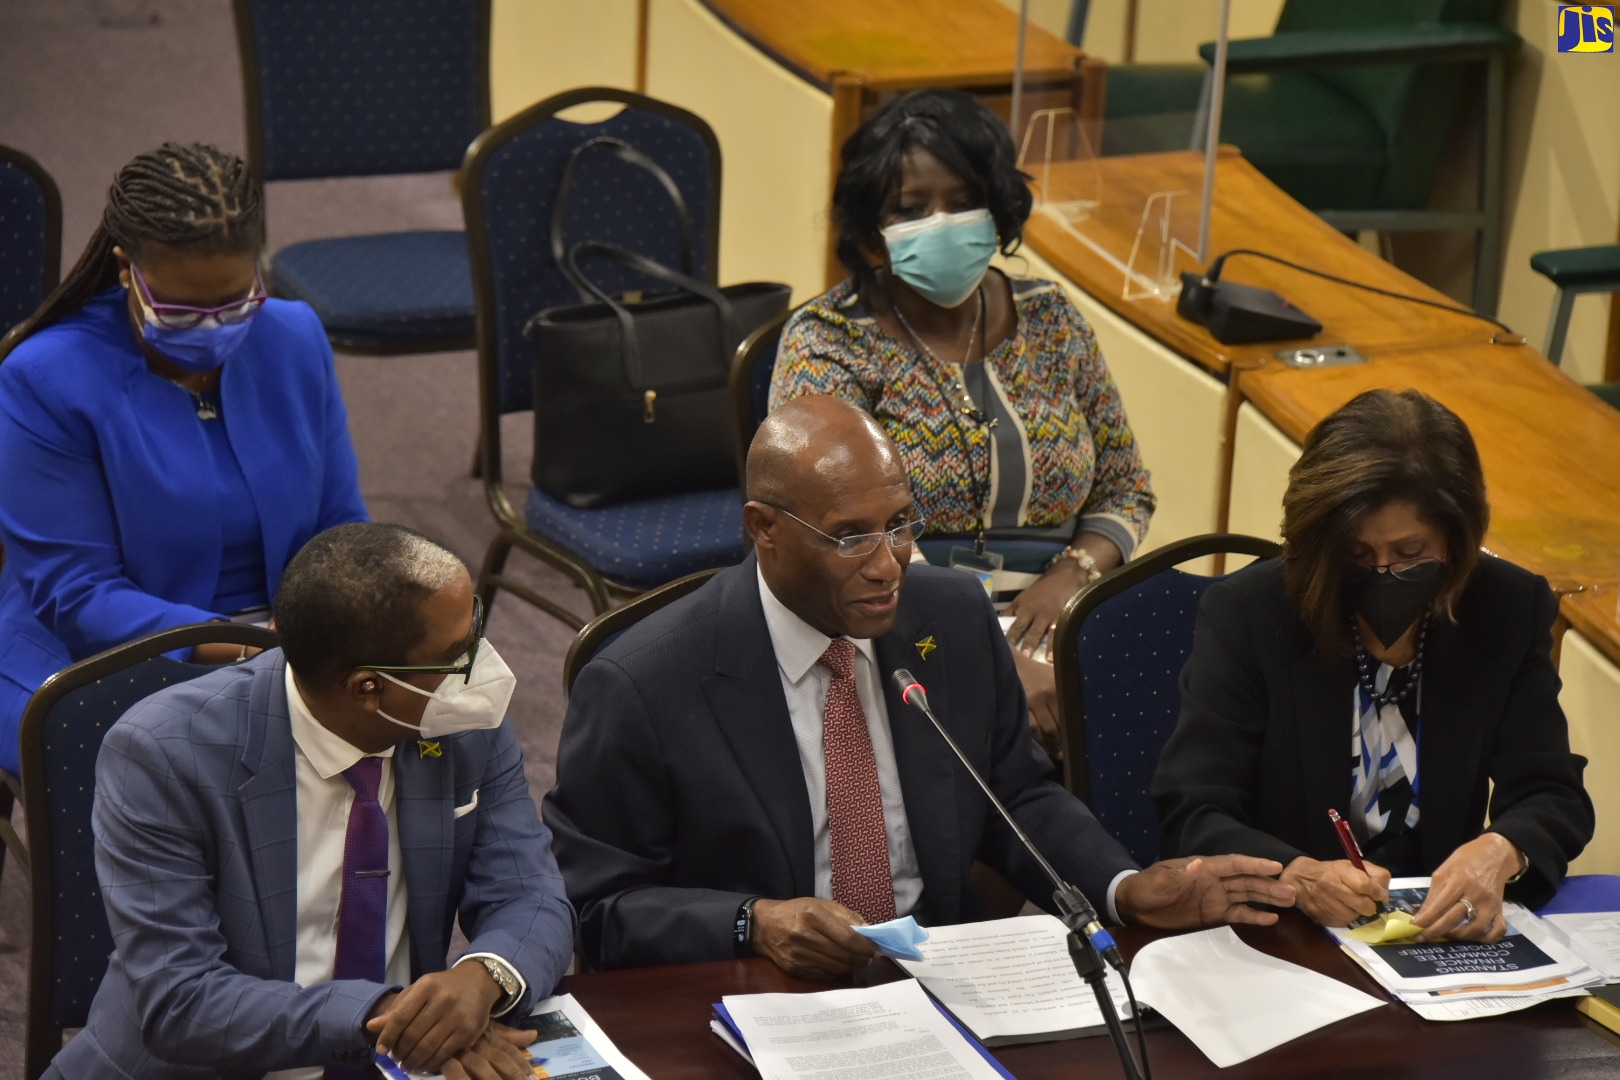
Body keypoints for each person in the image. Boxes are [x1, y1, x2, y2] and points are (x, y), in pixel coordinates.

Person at [545, 395, 1290, 978]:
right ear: (763, 528)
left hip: (942, 979)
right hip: (757, 992)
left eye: (900, 524)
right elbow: (600, 908)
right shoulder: (645, 682)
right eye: (850, 536)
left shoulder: (952, 617)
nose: (887, 564)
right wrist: (752, 922)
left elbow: (1015, 794)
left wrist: (1124, 888)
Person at [45, 523, 574, 1080]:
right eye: (456, 655)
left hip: (404, 1064)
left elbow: (531, 891)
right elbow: (182, 999)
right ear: (369, 687)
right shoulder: (163, 754)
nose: (481, 668)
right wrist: (392, 1016)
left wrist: (481, 977)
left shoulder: (461, 724)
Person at [770, 89, 1155, 756]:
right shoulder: (828, 342)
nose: (941, 223)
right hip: (894, 616)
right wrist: (994, 653)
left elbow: (1127, 488)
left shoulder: (1051, 318)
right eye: (911, 208)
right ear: (871, 229)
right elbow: (844, 536)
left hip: (1060, 609)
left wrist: (1070, 578)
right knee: (1007, 726)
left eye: (962, 200)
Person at [1153, 389, 1593, 943]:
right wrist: (1296, 874)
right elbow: (1193, 808)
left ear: (1455, 541)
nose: (1384, 573)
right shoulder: (1253, 613)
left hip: (1436, 935)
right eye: (1356, 556)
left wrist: (1501, 849)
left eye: (1410, 554)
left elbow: (1553, 793)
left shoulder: (1505, 607)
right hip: (1288, 933)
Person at [0, 142, 366, 777]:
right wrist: (257, 650)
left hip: (286, 640)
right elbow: (78, 593)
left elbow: (341, 524)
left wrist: (332, 621)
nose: (213, 328)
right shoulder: (47, 376)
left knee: (431, 730)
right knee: (221, 786)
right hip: (103, 654)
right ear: (126, 270)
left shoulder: (293, 336)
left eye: (235, 302)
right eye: (180, 310)